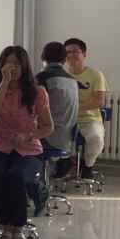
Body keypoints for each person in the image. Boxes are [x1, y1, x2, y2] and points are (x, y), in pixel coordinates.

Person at [0, 46, 53, 239]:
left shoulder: (37, 92)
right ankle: (6, 227)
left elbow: (48, 127)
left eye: (16, 63)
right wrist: (4, 82)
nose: (12, 67)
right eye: (8, 63)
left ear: (24, 67)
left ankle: (18, 228)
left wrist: (28, 136)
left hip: (28, 148)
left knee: (15, 176)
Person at [65, 37, 108, 179]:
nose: (71, 55)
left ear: (84, 54)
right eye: (68, 52)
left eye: (75, 51)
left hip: (89, 119)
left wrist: (75, 108)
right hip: (65, 119)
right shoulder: (62, 75)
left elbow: (99, 101)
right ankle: (63, 164)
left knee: (96, 139)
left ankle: (88, 166)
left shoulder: (96, 75)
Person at [37, 42, 79, 178]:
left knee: (12, 140)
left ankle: (32, 183)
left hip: (49, 137)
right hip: (67, 138)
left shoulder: (43, 78)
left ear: (43, 57)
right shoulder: (72, 80)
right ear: (65, 59)